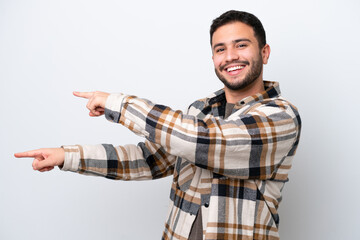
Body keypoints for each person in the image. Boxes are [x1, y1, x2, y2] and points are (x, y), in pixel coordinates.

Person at [15, 10, 301, 240]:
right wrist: (68, 156)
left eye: (241, 45)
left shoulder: (280, 116)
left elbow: (203, 143)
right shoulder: (200, 109)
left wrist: (119, 103)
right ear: (213, 58)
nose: (230, 57)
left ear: (264, 53)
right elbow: (150, 160)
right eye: (220, 49)